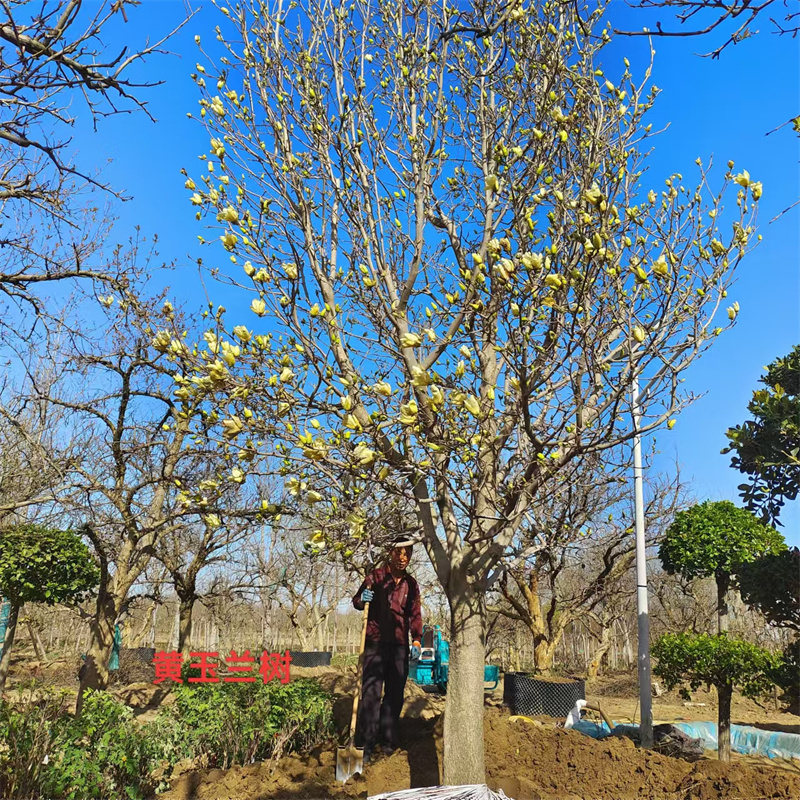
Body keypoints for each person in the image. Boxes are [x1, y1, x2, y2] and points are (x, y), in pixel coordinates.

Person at [352, 536, 422, 762]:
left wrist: (417, 639)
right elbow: (357, 601)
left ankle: (388, 742)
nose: (403, 558)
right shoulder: (376, 577)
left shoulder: (411, 584)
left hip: (399, 646)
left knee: (394, 695)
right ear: (390, 553)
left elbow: (415, 614)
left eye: (407, 554)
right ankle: (365, 743)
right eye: (399, 553)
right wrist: (363, 598)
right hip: (375, 642)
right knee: (371, 694)